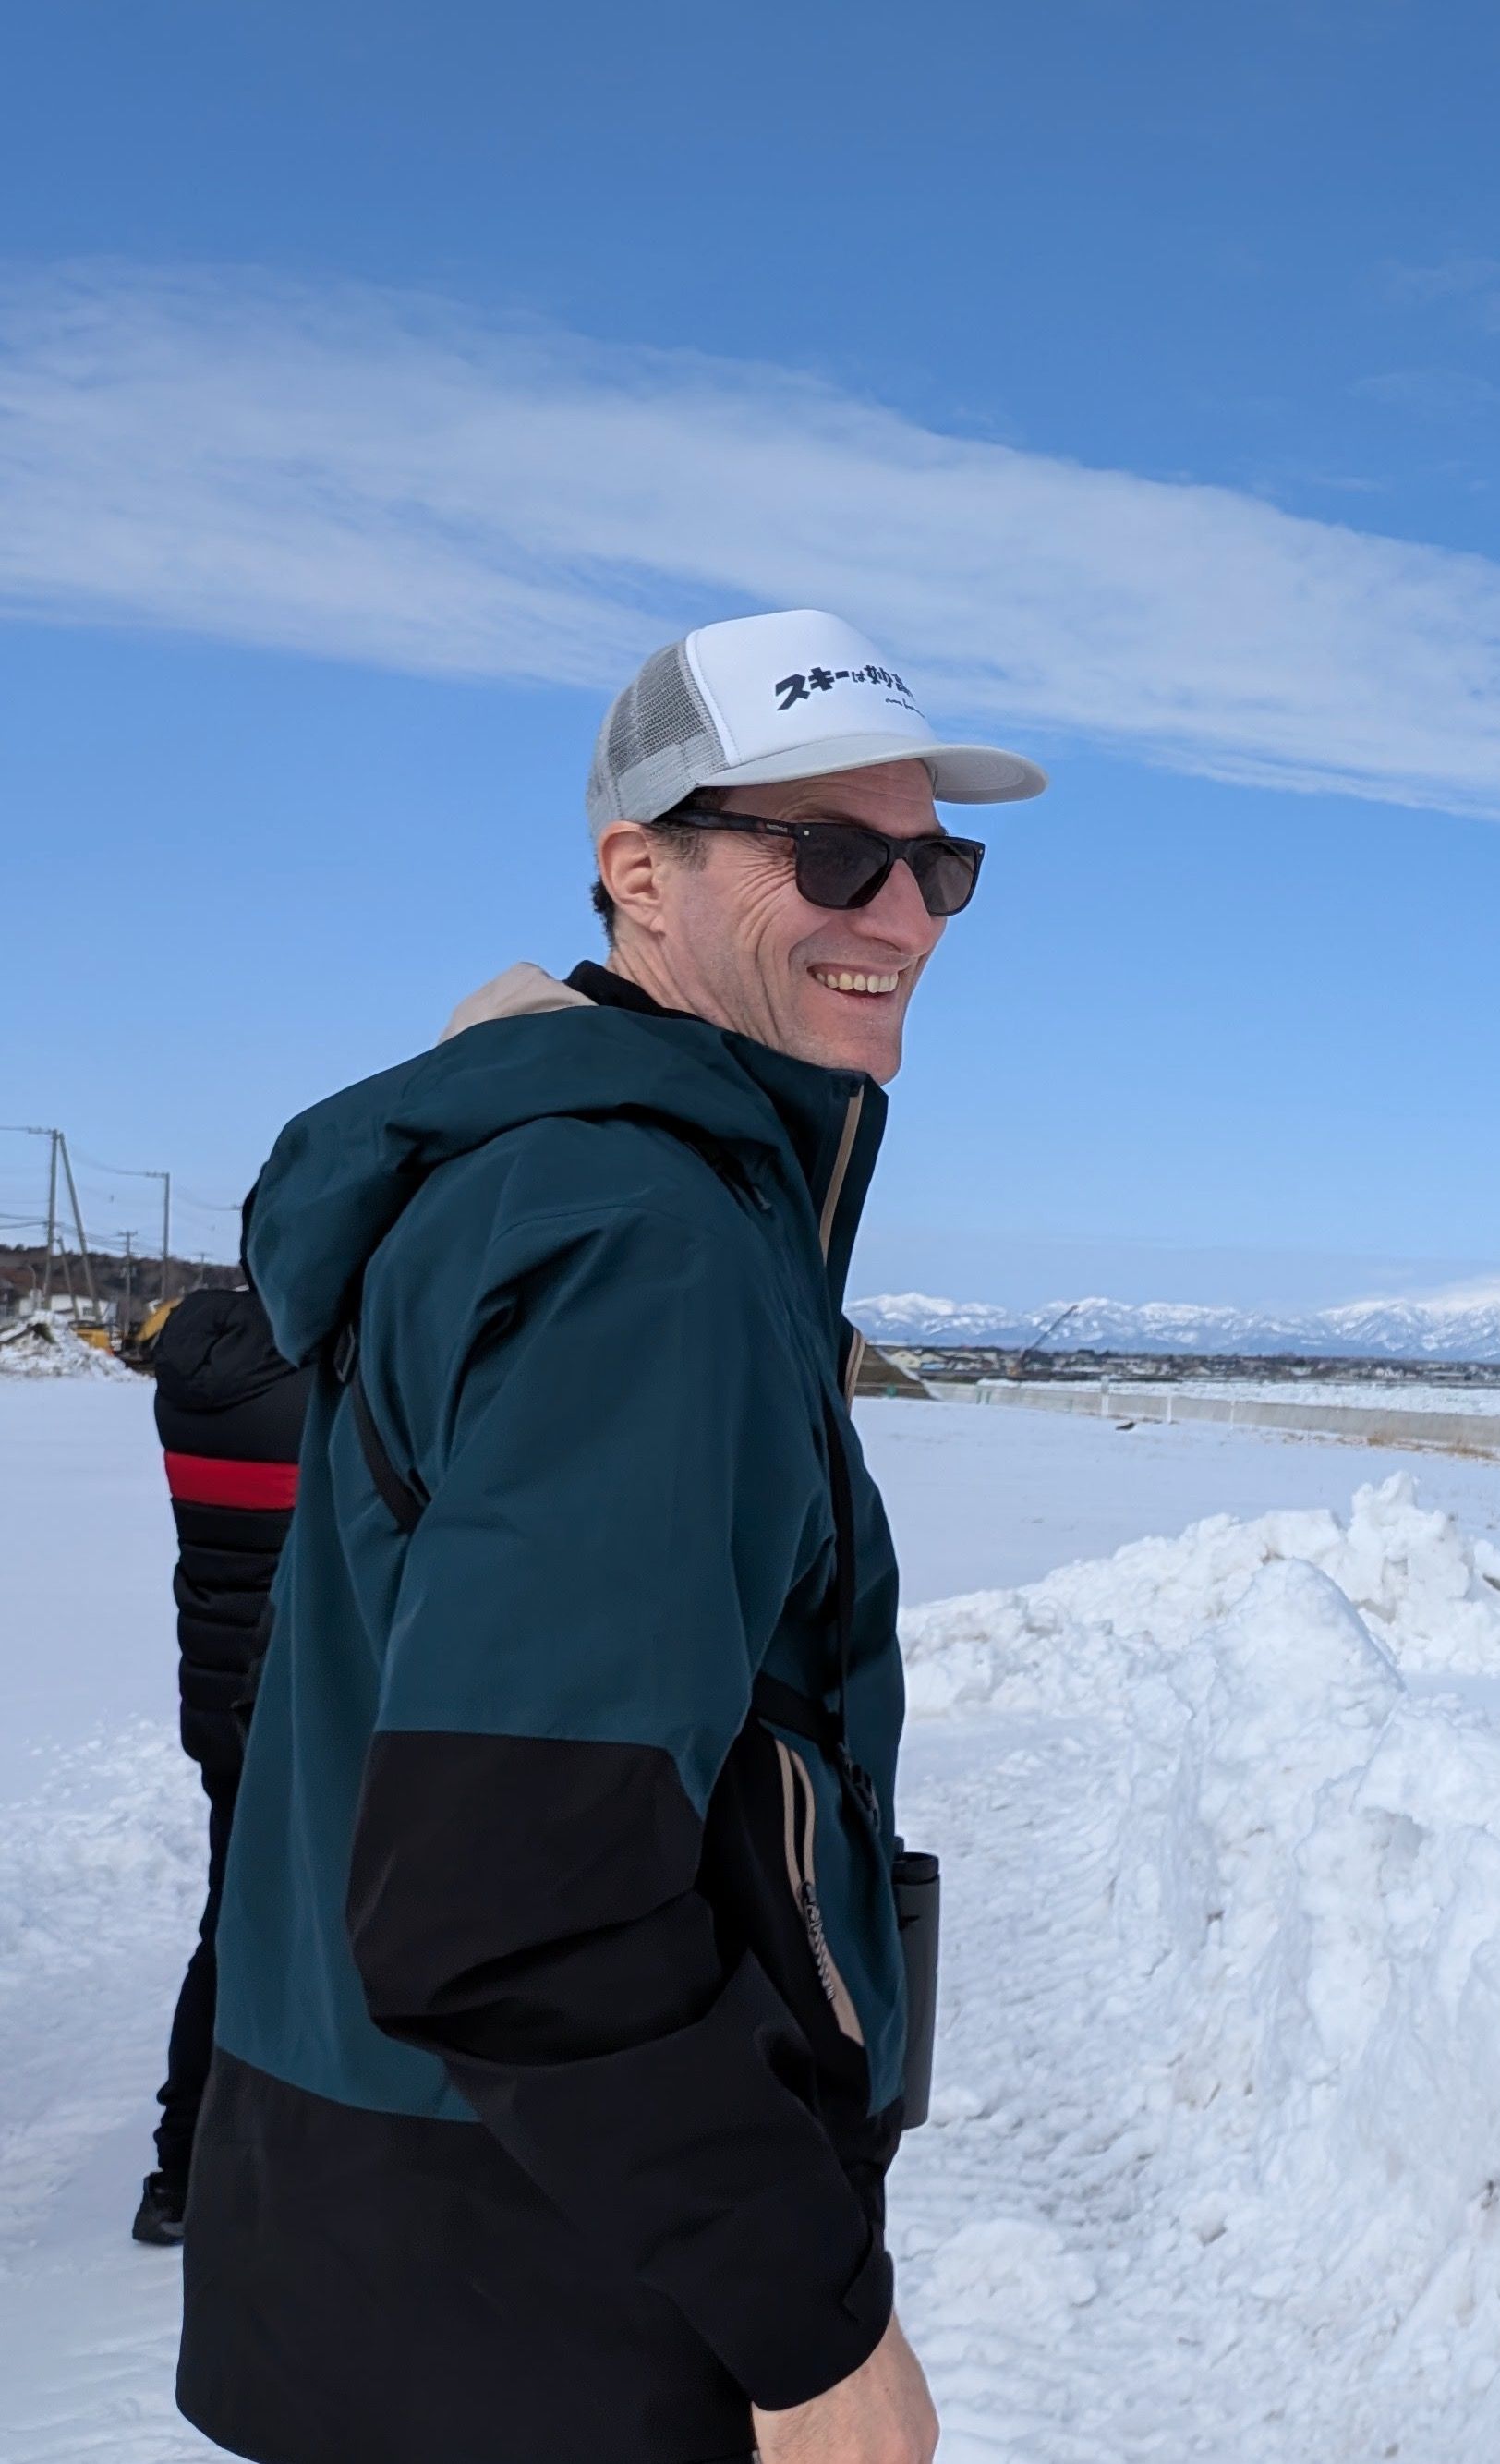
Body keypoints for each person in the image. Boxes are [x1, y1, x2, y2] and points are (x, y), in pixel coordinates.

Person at [184, 608, 1042, 2464]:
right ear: (636, 873)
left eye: (934, 863)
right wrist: (807, 2329)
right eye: (830, 851)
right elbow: (516, 1893)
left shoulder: (548, 1175)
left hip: (401, 2213)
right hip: (542, 2267)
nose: (898, 913)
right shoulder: (642, 1244)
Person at [136, 1281, 308, 2247]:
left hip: (219, 1693)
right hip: (309, 1696)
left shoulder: (194, 1371)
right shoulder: (326, 1374)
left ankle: (182, 2169)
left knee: (231, 1926)